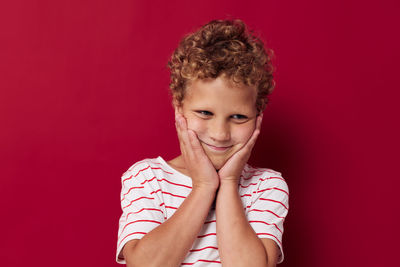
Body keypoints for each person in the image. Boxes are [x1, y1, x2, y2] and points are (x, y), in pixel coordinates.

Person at [115, 19, 289, 266]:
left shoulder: (266, 186)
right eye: (205, 113)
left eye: (238, 117)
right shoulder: (147, 178)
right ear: (179, 108)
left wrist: (227, 183)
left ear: (258, 117)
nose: (220, 134)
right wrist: (204, 186)